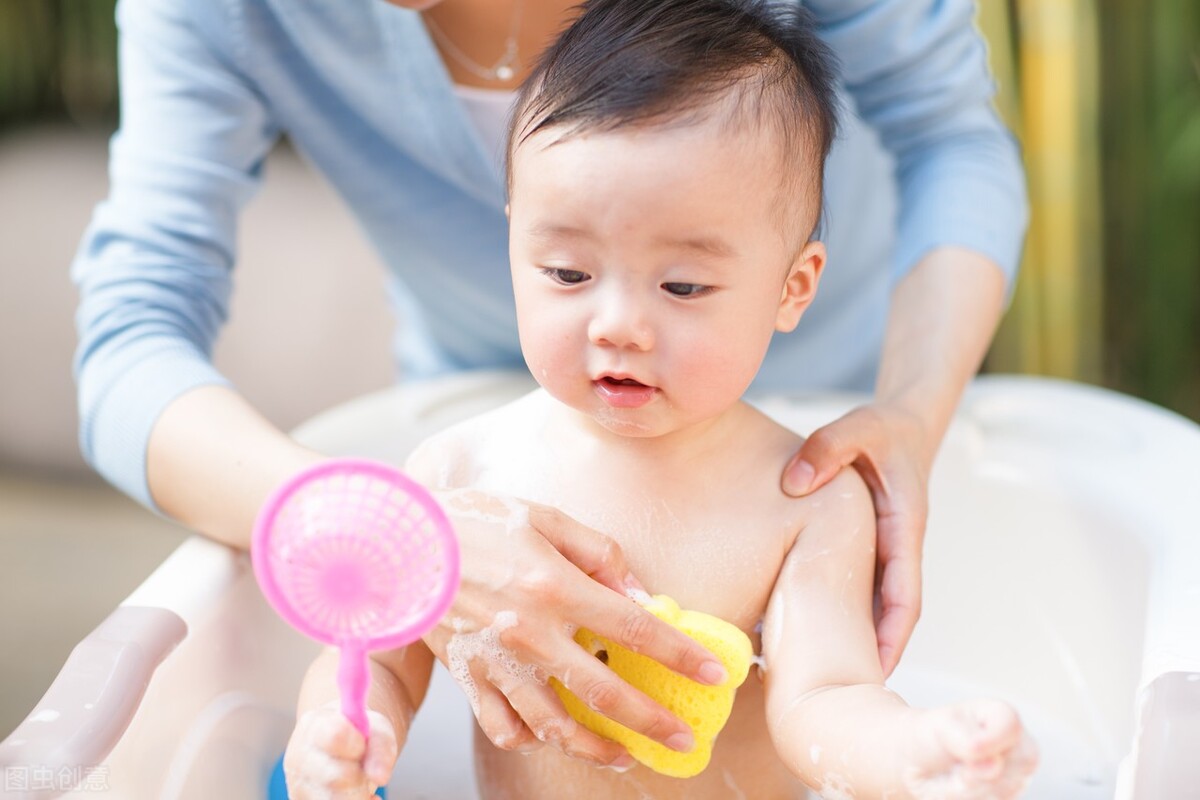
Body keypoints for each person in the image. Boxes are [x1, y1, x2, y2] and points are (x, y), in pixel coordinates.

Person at [71, 0, 1027, 765]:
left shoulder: (805, 504)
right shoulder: (463, 465)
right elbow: (374, 670)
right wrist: (342, 729)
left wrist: (918, 752)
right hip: (467, 383)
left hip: (841, 388)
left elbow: (829, 702)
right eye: (566, 273)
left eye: (683, 283)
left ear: (792, 286)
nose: (617, 322)